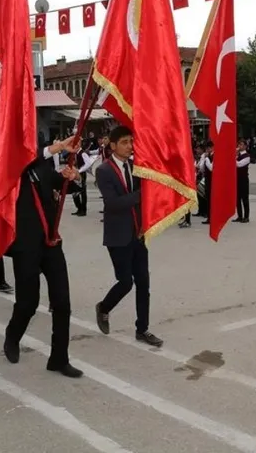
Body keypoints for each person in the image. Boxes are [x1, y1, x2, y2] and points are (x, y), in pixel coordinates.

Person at [3, 135, 84, 378]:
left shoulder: (41, 167)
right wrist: (58, 147)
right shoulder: (8, 169)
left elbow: (62, 184)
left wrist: (74, 177)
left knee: (62, 302)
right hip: (25, 246)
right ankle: (12, 336)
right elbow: (23, 161)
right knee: (28, 302)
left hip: (51, 242)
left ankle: (59, 359)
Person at [94, 125, 164, 348]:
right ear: (112, 145)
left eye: (130, 142)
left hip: (138, 234)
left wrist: (145, 223)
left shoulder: (136, 167)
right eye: (124, 142)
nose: (129, 146)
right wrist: (140, 194)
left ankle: (142, 329)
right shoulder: (104, 171)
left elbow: (146, 200)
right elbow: (113, 204)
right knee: (125, 282)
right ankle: (104, 307)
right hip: (117, 236)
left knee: (144, 282)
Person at [235, 138, 250, 223]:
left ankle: (246, 216)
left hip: (244, 180)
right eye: (239, 144)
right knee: (237, 199)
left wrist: (234, 157)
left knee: (245, 198)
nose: (239, 146)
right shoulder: (238, 155)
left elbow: (239, 165)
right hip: (237, 179)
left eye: (241, 145)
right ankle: (239, 216)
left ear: (245, 146)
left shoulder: (247, 156)